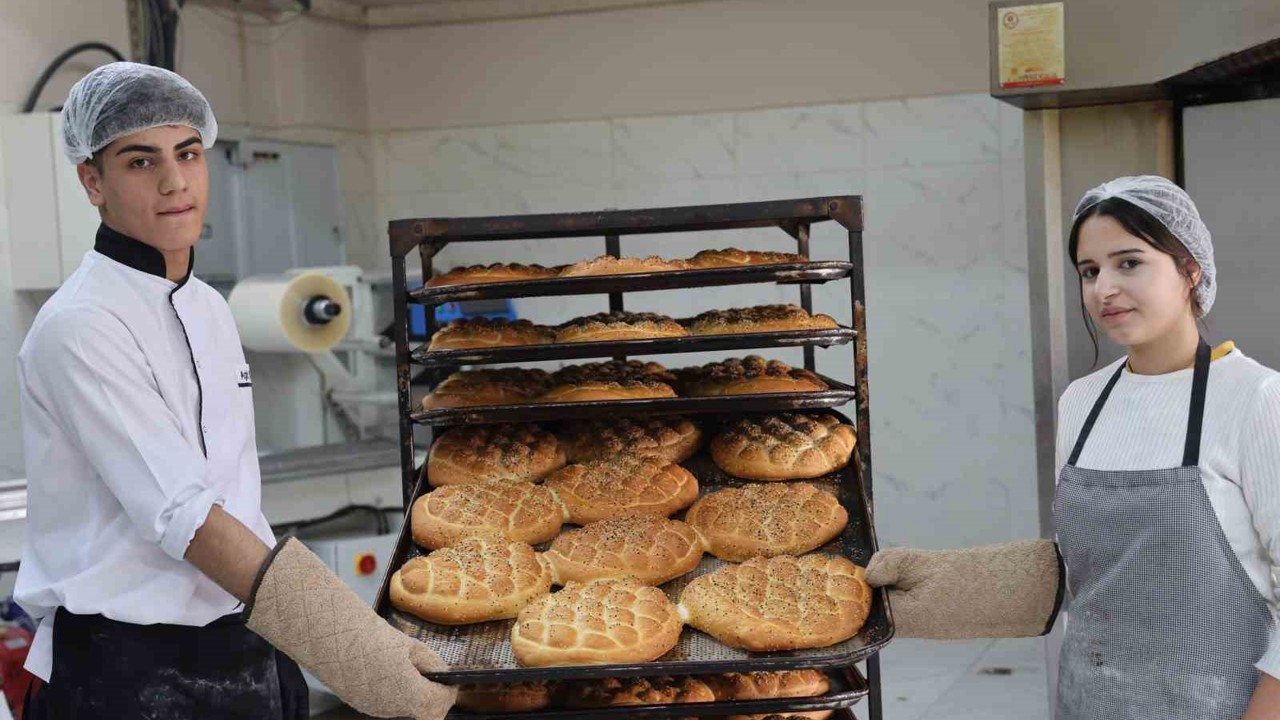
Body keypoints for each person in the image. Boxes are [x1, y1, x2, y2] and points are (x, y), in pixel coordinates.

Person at [14, 62, 455, 719]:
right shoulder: (81, 326)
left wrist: (332, 641)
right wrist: (354, 651)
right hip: (124, 672)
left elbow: (233, 499)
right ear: (92, 181)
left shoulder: (209, 308)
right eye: (141, 161)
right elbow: (185, 516)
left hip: (244, 644)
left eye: (188, 153)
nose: (174, 182)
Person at [867, 175, 1280, 719]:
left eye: (1128, 263)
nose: (1103, 288)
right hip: (1087, 702)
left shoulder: (1254, 397)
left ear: (1190, 269)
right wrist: (941, 583)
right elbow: (1093, 569)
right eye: (1089, 271)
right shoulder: (1083, 401)